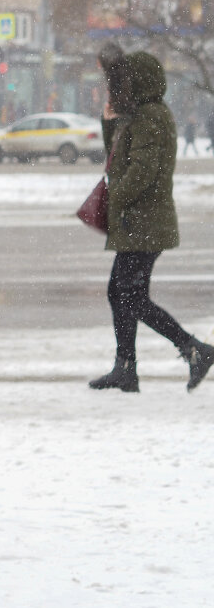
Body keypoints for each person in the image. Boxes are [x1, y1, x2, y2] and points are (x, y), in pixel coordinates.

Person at [88, 43, 214, 393]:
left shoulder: (152, 117)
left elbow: (142, 171)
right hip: (137, 222)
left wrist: (117, 199)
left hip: (145, 222)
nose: (121, 86)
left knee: (128, 295)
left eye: (127, 80)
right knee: (122, 293)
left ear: (140, 80)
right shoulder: (138, 115)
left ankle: (193, 349)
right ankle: (126, 367)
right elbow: (116, 157)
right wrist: (109, 120)